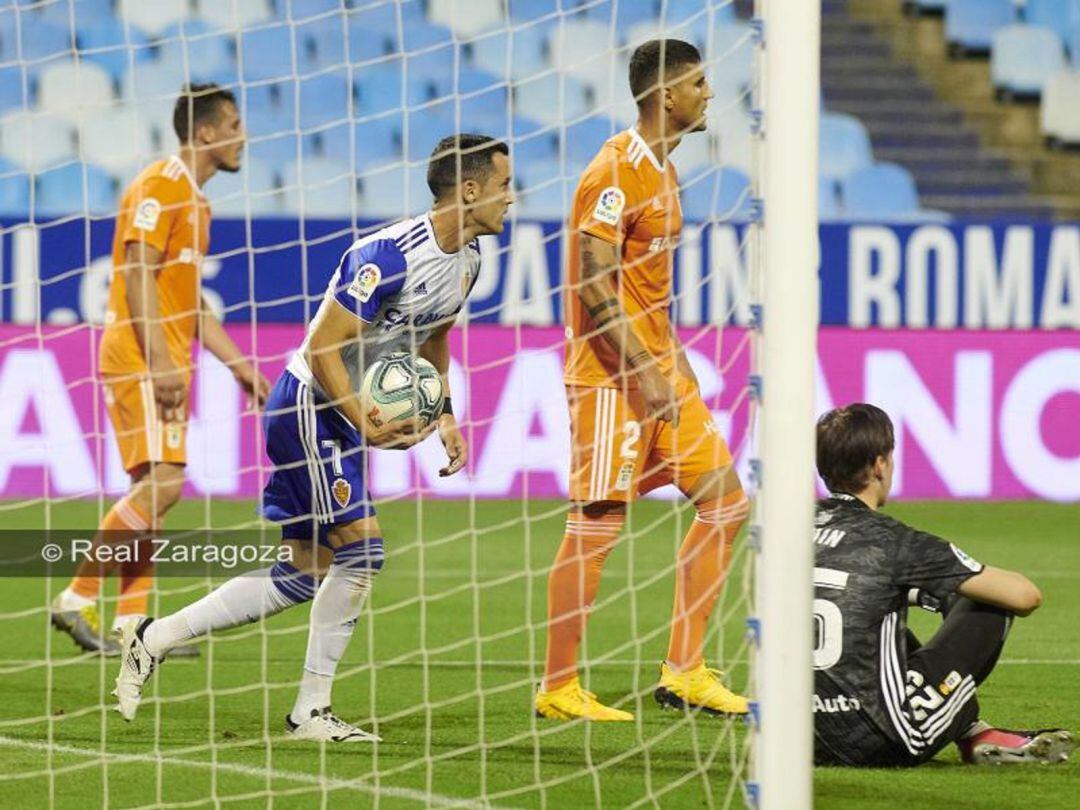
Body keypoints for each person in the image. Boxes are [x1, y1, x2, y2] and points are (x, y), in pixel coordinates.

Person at [113, 134, 514, 742]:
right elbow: (324, 348)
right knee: (363, 553)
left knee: (304, 569)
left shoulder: (469, 261)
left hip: (340, 413)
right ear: (470, 189)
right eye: (505, 186)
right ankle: (311, 712)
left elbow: (433, 339)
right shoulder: (388, 255)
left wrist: (447, 416)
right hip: (308, 403)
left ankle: (154, 636)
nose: (512, 199)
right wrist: (364, 417)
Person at [535, 39, 749, 722]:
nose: (708, 94)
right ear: (666, 94)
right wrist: (640, 369)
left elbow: (648, 290)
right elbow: (593, 282)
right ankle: (558, 685)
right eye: (699, 83)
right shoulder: (614, 170)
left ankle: (685, 670)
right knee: (598, 520)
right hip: (607, 377)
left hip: (659, 371)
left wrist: (675, 363)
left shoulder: (667, 173)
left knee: (727, 502)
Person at [50, 83, 269, 655]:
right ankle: (75, 597)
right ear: (206, 132)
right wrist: (165, 359)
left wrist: (239, 365)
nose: (244, 136)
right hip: (141, 357)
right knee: (165, 486)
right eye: (236, 124)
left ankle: (130, 627)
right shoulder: (160, 184)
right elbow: (135, 271)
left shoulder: (198, 203)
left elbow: (191, 303)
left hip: (165, 358)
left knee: (152, 490)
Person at [812, 403, 1075, 766]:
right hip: (883, 740)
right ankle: (966, 727)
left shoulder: (793, 529)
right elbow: (1025, 596)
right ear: (878, 464)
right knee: (991, 602)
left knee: (877, 613)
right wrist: (946, 592)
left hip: (799, 737)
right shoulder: (896, 542)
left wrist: (914, 591)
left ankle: (976, 733)